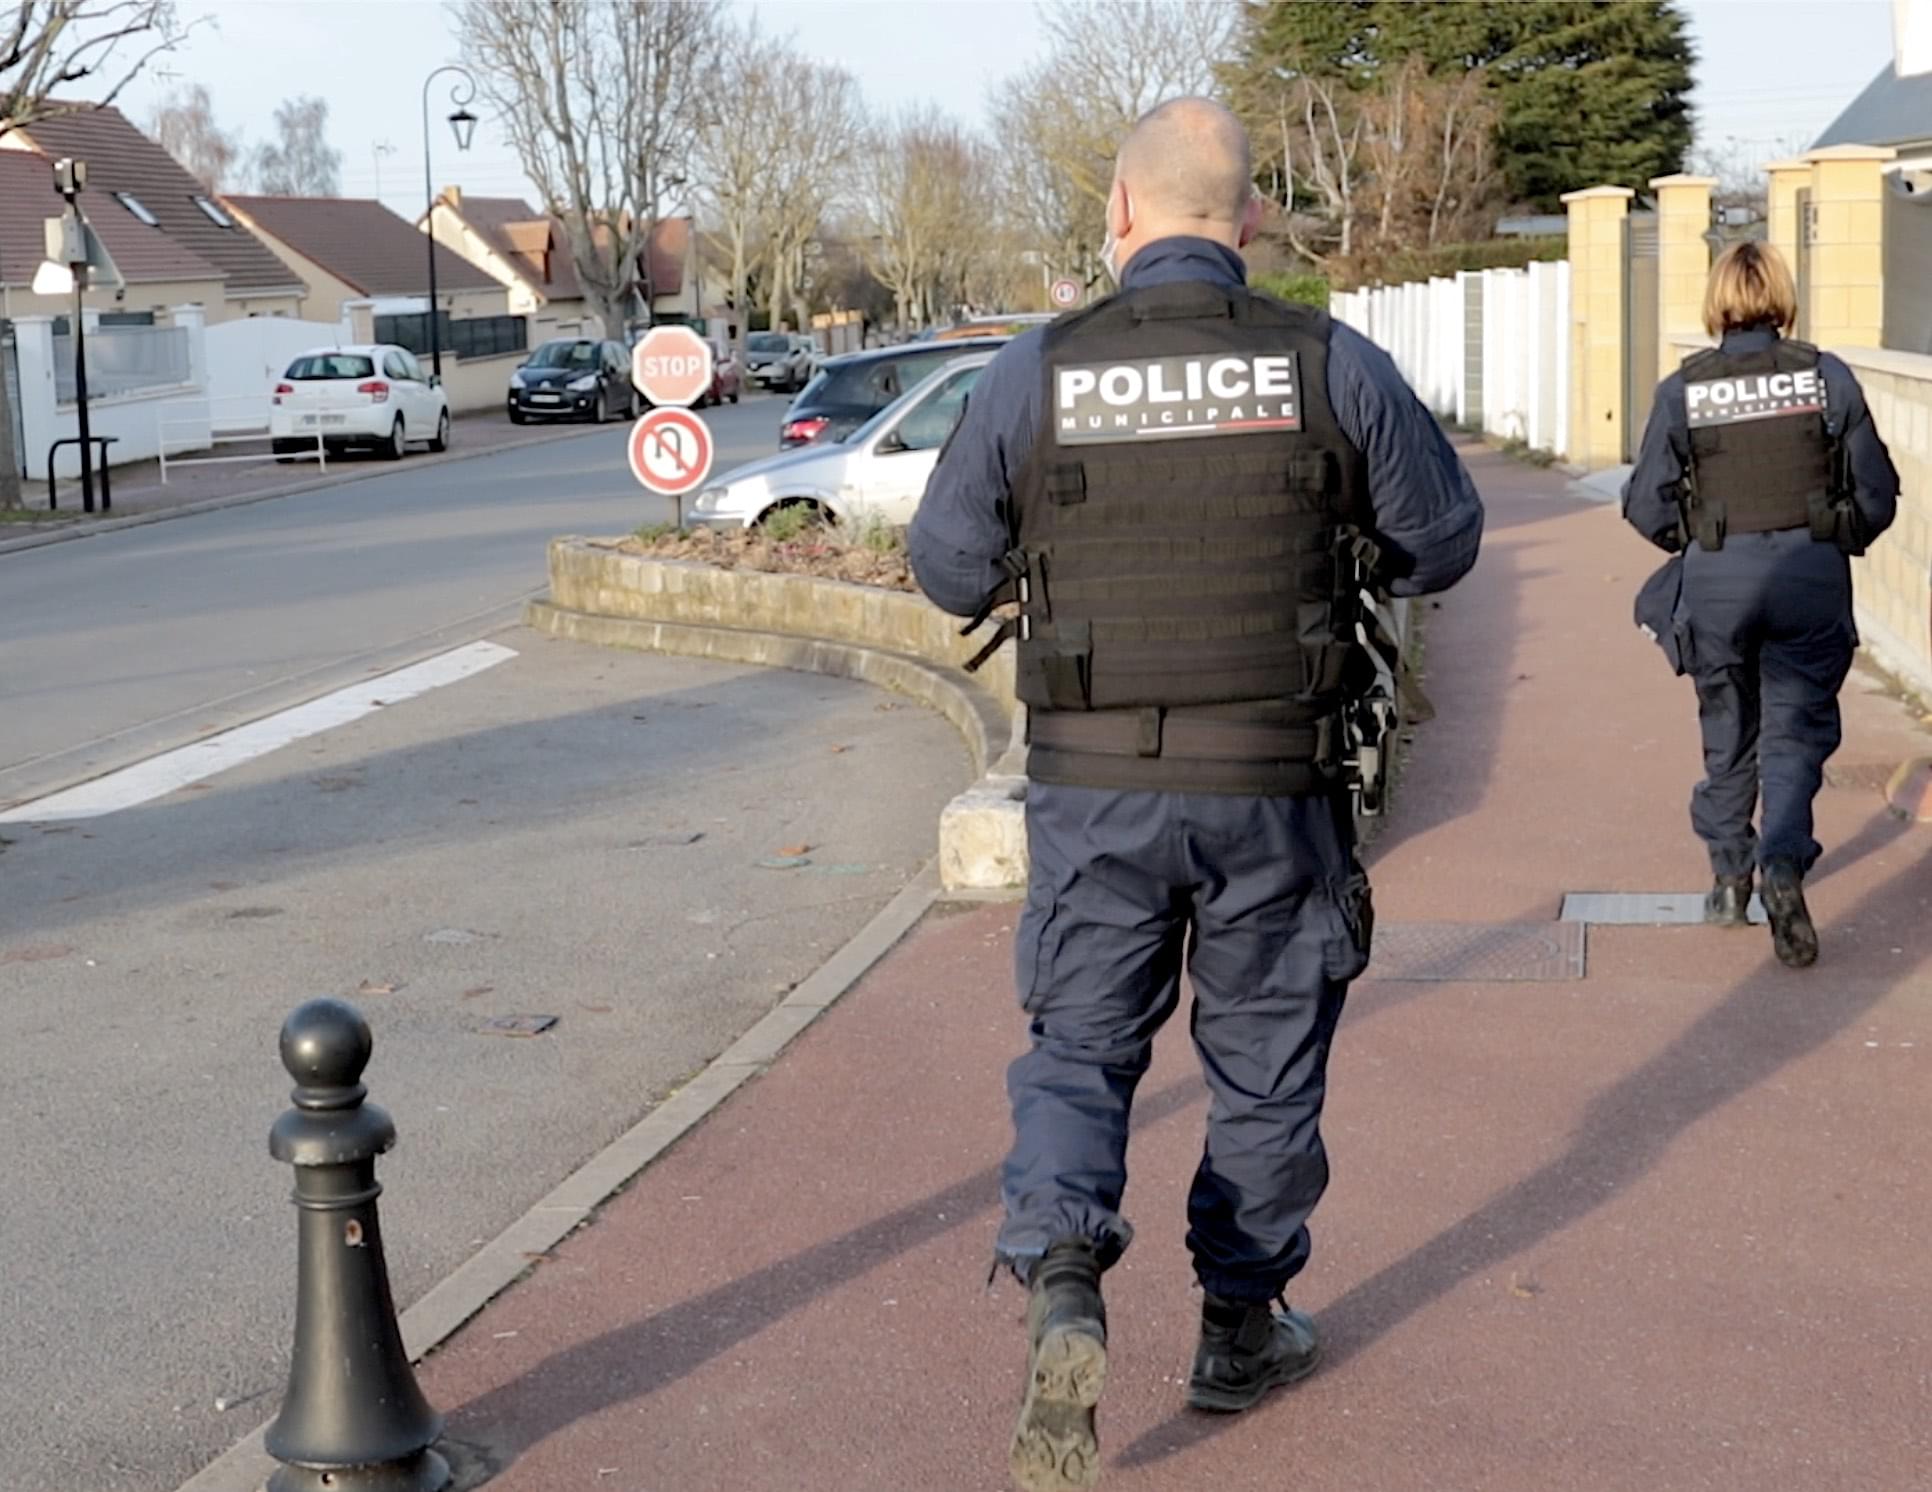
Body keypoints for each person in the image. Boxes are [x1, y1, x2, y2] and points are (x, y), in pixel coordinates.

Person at [907, 97, 1484, 1492]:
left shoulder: (1035, 371)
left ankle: (1060, 1277)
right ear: (1252, 221)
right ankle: (1237, 1326)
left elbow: (941, 565)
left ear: (1118, 214)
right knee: (1266, 1064)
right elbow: (1445, 540)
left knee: (1081, 1049)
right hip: (1271, 782)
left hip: (1095, 788)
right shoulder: (1328, 360)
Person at [1624, 240, 1898, 969]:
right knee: (1795, 732)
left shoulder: (1684, 389)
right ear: (1781, 296)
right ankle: (1782, 861)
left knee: (1727, 728)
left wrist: (1700, 543)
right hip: (1810, 575)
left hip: (1718, 583)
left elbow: (1644, 504)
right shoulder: (1826, 377)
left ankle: (1726, 879)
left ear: (1717, 303)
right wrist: (1836, 539)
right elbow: (1877, 491)